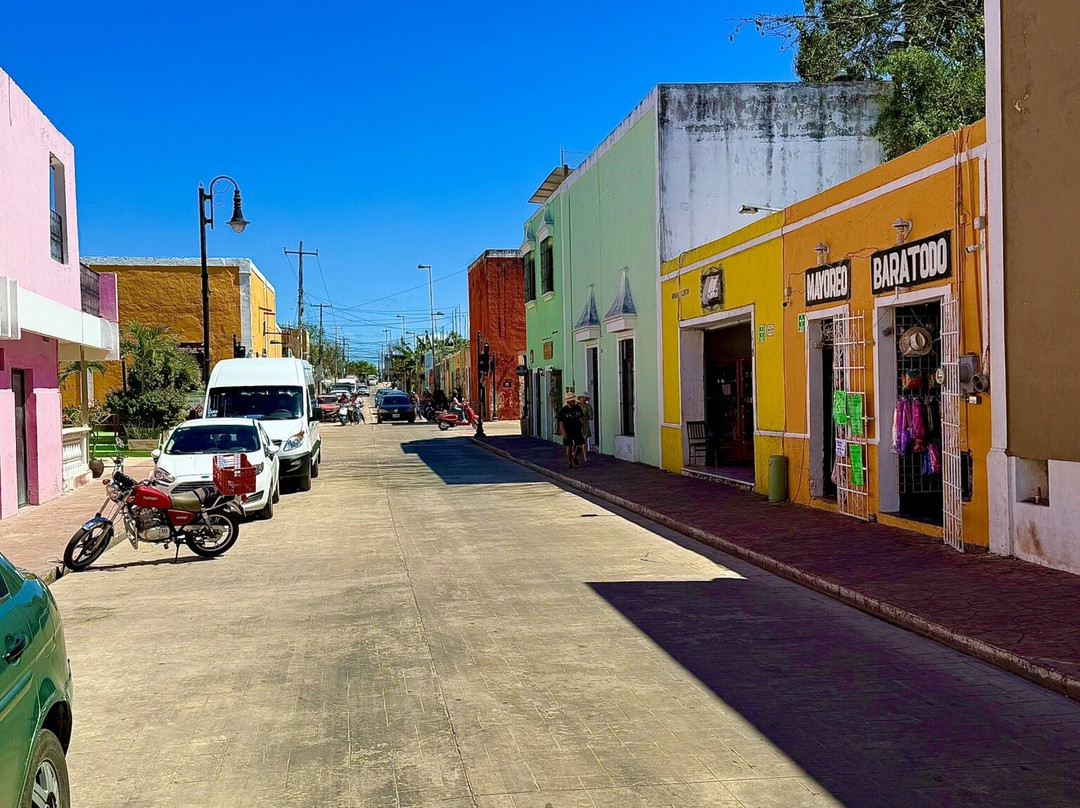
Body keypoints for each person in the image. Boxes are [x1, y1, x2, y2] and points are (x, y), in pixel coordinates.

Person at [557, 392, 585, 469]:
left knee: (579, 446)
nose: (573, 402)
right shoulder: (564, 410)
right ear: (568, 402)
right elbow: (561, 422)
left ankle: (575, 455)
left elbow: (582, 418)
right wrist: (564, 433)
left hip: (577, 429)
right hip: (567, 430)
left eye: (573, 400)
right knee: (569, 447)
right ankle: (570, 463)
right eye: (571, 401)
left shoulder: (577, 408)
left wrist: (583, 428)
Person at [578, 393, 593, 463]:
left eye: (585, 398)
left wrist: (587, 416)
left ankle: (585, 457)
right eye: (582, 397)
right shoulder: (576, 406)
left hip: (585, 425)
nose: (583, 399)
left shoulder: (588, 407)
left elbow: (591, 417)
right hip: (577, 424)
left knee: (584, 441)